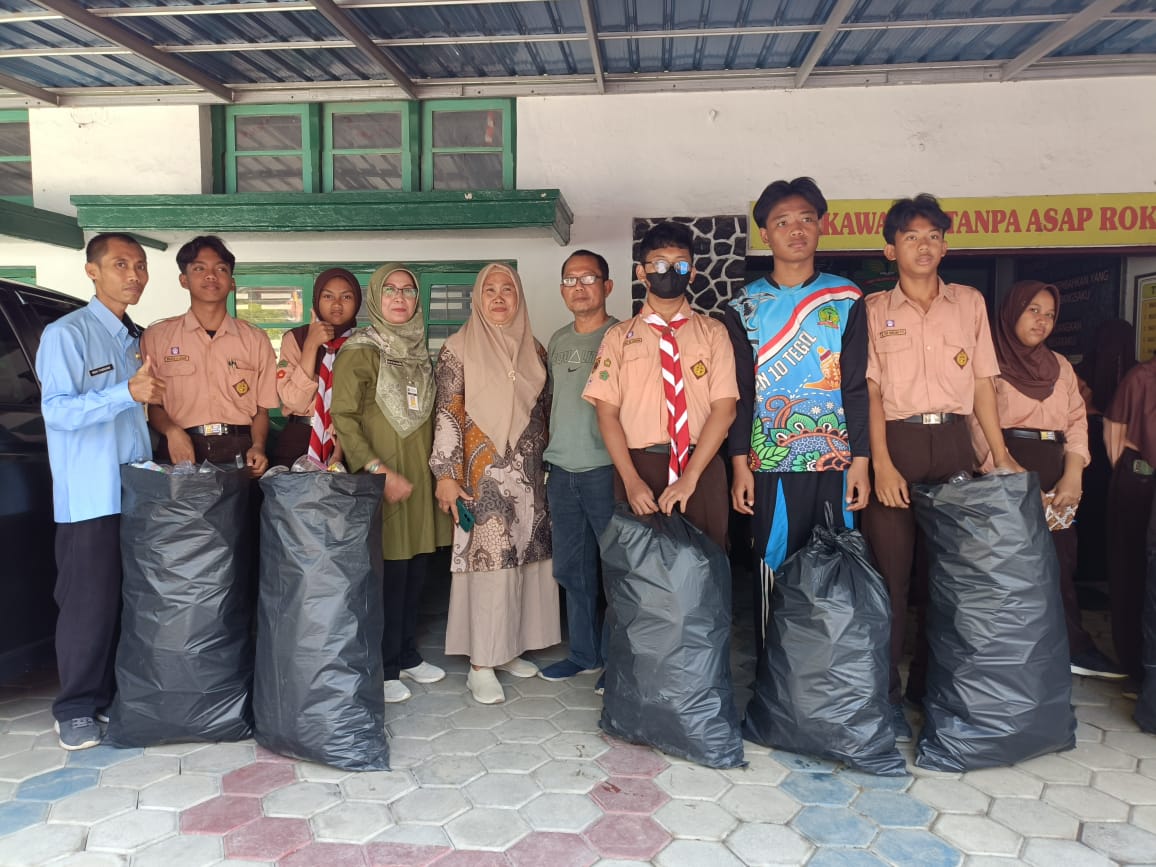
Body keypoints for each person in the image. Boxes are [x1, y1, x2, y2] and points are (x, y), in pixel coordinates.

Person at [860, 194, 1022, 742]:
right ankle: (882, 699)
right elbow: (872, 392)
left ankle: (935, 694)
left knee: (949, 582)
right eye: (911, 236)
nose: (923, 245)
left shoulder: (969, 303)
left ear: (946, 244)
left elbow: (982, 383)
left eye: (933, 235)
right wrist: (881, 463)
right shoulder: (873, 310)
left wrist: (997, 454)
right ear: (891, 249)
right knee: (890, 579)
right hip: (898, 446)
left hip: (954, 446)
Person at [725, 178, 870, 659]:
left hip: (835, 461)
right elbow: (741, 393)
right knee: (774, 563)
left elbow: (855, 386)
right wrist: (740, 464)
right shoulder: (744, 307)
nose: (796, 229)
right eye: (782, 222)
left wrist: (863, 461)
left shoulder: (847, 298)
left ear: (821, 226)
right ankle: (776, 674)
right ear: (764, 234)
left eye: (806, 219)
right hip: (771, 465)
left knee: (837, 564)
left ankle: (832, 676)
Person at [36, 233, 163, 749]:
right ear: (92, 271)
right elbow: (57, 411)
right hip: (90, 498)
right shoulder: (66, 335)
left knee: (127, 601)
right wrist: (124, 392)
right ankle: (75, 708)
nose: (132, 275)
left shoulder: (135, 340)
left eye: (139, 266)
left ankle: (110, 697)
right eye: (119, 264)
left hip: (135, 491)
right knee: (87, 604)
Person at [430, 263, 558, 705]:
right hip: (480, 477)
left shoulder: (536, 350)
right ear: (477, 298)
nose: (499, 297)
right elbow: (447, 413)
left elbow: (545, 413)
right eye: (490, 290)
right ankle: (481, 664)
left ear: (519, 297)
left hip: (530, 477)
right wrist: (445, 475)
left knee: (524, 561)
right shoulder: (457, 348)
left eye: (508, 289)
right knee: (488, 563)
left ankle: (508, 650)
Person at [983, 280, 1124, 679]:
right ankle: (1011, 661)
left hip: (1058, 476)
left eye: (1049, 314)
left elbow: (1077, 422)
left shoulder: (1060, 366)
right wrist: (1009, 474)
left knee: (1060, 564)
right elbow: (976, 423)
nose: (1042, 321)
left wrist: (1074, 475)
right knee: (1007, 567)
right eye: (1033, 310)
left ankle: (1072, 648)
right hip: (1004, 474)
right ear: (1012, 311)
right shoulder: (987, 363)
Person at [332, 264, 453, 703]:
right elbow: (342, 417)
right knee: (386, 573)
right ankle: (381, 668)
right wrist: (376, 468)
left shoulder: (420, 350)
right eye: (390, 290)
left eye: (407, 290)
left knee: (416, 567)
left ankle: (406, 654)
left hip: (418, 476)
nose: (399, 298)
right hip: (380, 479)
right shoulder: (360, 351)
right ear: (375, 298)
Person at [583, 220, 738, 550]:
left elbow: (724, 410)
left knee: (705, 573)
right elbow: (606, 415)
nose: (671, 271)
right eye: (660, 264)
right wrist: (630, 481)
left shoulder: (714, 333)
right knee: (642, 579)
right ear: (642, 272)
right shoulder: (618, 337)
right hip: (641, 468)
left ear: (692, 273)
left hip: (702, 466)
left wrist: (691, 478)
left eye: (681, 264)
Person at [537, 250, 619, 688]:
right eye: (570, 279)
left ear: (607, 286)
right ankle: (584, 654)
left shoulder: (623, 336)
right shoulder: (558, 340)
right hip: (562, 471)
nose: (579, 286)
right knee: (572, 567)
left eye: (589, 278)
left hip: (606, 469)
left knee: (615, 568)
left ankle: (615, 660)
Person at [142, 235, 278, 476]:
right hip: (181, 450)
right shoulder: (157, 337)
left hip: (238, 451)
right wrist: (172, 431)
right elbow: (153, 406)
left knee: (240, 514)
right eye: (199, 268)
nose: (211, 276)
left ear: (232, 282)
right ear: (183, 280)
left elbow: (261, 411)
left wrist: (258, 446)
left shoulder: (255, 340)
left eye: (221, 269)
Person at [272, 268, 362, 468]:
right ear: (316, 300)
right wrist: (311, 345)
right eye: (328, 296)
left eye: (346, 296)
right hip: (299, 440)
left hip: (349, 441)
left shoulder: (364, 344)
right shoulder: (295, 338)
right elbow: (294, 401)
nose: (337, 304)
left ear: (357, 303)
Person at [1104, 352, 1156, 681]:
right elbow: (1114, 434)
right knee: (1131, 572)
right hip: (1140, 481)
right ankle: (1133, 667)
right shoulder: (1141, 377)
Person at [1075, 319, 1137, 591]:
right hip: (1113, 461)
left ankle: (1084, 574)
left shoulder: (1080, 372)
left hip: (1083, 453)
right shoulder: (1135, 376)